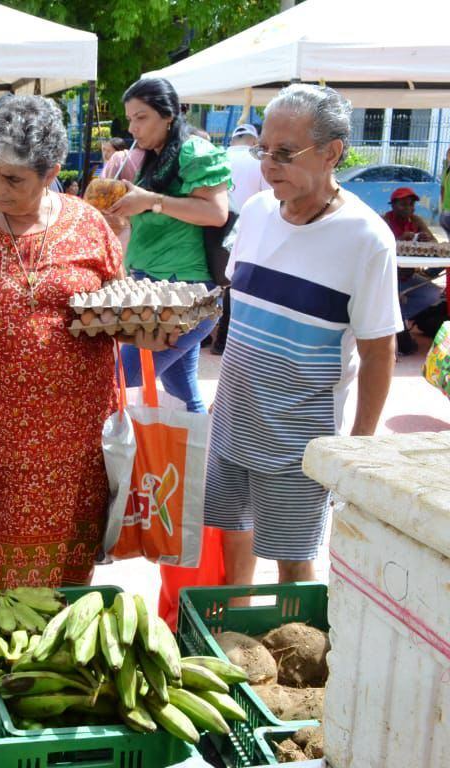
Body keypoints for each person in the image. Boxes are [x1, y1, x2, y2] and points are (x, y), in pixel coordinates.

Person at [0, 95, 174, 589]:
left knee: (69, 572)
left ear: (51, 171)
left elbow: (117, 310)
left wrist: (151, 333)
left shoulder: (90, 227)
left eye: (13, 179)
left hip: (78, 440)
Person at [207, 84, 400, 586]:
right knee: (234, 541)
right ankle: (235, 641)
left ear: (332, 153)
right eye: (263, 149)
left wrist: (358, 447)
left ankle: (295, 653)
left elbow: (380, 353)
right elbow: (239, 307)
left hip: (300, 441)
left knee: (294, 562)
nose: (269, 164)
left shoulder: (366, 237)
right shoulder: (254, 212)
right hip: (232, 421)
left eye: (285, 153)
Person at [106, 78, 231, 414]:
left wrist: (152, 201)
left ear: (169, 115)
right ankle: (193, 462)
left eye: (141, 117)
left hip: (186, 294)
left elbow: (216, 213)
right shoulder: (148, 158)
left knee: (117, 380)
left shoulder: (194, 151)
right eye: (130, 119)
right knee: (181, 389)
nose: (133, 128)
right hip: (153, 288)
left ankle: (119, 464)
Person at [212, 122, 272, 355]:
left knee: (217, 283)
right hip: (248, 229)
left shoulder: (219, 156)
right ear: (254, 141)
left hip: (214, 229)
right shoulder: (258, 161)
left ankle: (209, 338)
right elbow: (269, 198)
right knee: (235, 285)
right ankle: (224, 341)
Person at [383, 186, 440, 354]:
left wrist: (426, 239)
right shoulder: (384, 221)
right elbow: (378, 249)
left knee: (431, 293)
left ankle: (397, 319)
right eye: (403, 204)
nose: (408, 208)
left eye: (411, 204)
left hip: (408, 276)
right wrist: (399, 240)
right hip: (387, 276)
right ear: (393, 205)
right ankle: (393, 323)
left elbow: (435, 245)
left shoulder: (416, 221)